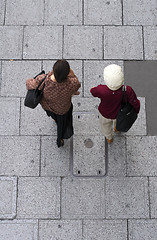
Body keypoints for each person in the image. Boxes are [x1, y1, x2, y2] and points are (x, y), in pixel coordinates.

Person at [26, 59, 81, 147]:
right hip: (63, 109)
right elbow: (77, 86)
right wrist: (71, 73)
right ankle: (60, 138)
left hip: (48, 106)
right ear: (67, 74)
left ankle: (54, 119)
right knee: (62, 123)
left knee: (53, 115)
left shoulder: (43, 79)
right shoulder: (72, 83)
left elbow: (29, 84)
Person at [90, 64, 140, 144]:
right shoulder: (128, 90)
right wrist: (136, 111)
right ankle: (117, 128)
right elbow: (135, 102)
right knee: (118, 121)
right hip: (120, 113)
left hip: (105, 113)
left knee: (105, 126)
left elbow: (93, 91)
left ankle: (109, 138)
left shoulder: (101, 90)